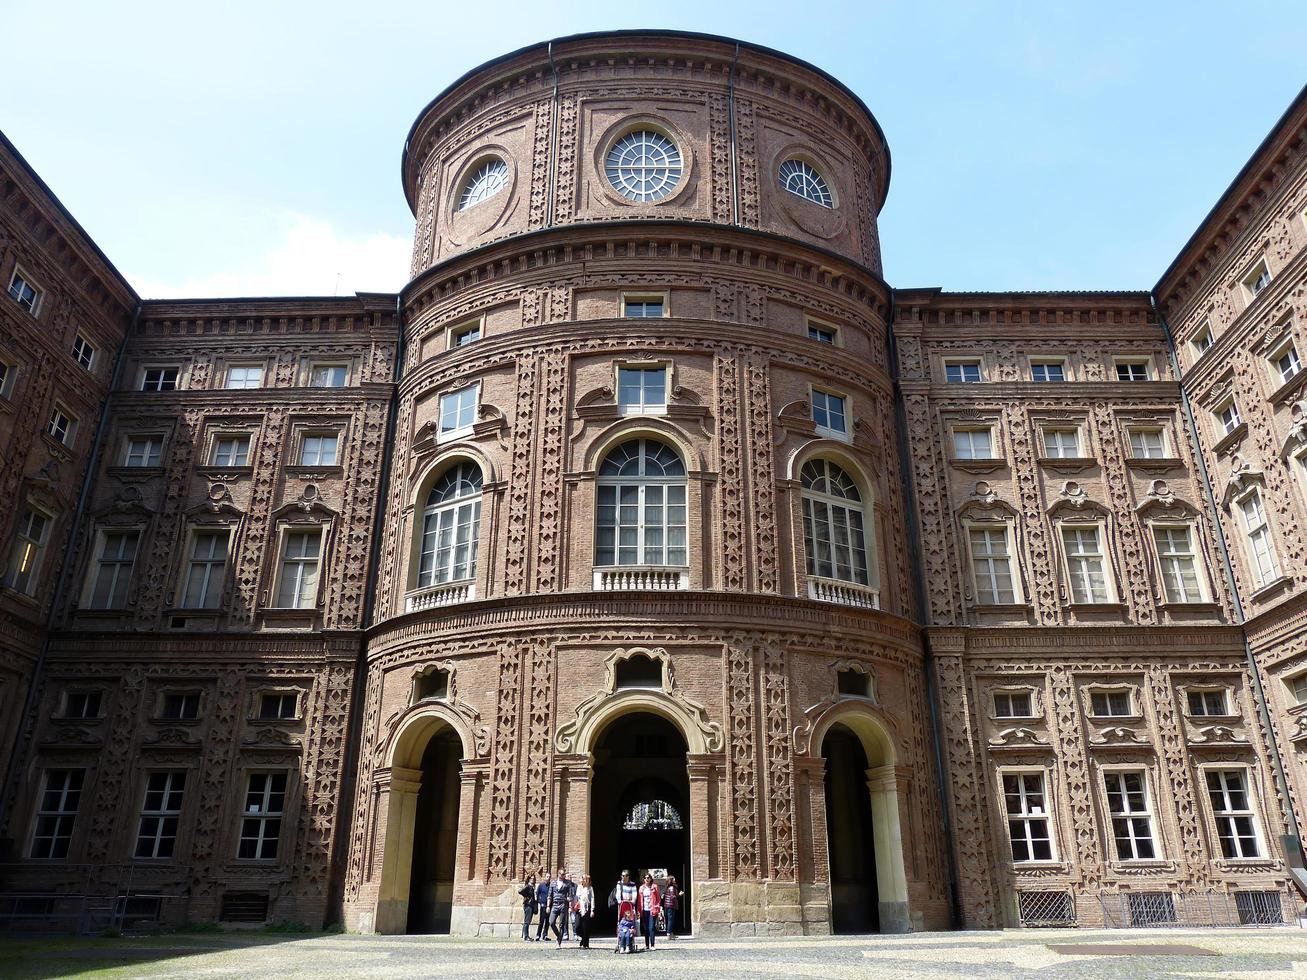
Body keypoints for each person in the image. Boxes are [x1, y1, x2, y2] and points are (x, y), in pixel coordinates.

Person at [547, 866, 574, 948]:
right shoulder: (553, 883)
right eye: (561, 874)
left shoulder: (568, 883)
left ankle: (559, 942)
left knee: (562, 925)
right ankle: (559, 935)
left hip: (563, 905)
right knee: (551, 922)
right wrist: (548, 906)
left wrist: (570, 904)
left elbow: (570, 895)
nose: (563, 876)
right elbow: (549, 895)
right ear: (558, 874)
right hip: (555, 905)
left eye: (564, 874)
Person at [637, 873, 661, 950]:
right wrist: (638, 910)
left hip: (652, 909)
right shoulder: (641, 888)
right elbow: (639, 900)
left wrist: (657, 907)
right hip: (644, 910)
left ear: (650, 879)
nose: (646, 879)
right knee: (646, 928)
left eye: (648, 878)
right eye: (645, 878)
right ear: (643, 879)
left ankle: (653, 945)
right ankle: (647, 945)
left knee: (651, 927)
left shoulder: (655, 887)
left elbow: (658, 898)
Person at [575, 873, 595, 949]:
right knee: (577, 926)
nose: (583, 880)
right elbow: (577, 897)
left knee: (585, 927)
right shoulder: (579, 887)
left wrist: (592, 910)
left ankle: (585, 943)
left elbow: (592, 899)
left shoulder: (590, 888)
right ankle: (583, 938)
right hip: (579, 908)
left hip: (587, 908)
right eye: (582, 878)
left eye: (585, 878)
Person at [518, 873, 537, 941]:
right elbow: (520, 891)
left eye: (533, 879)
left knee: (527, 921)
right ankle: (526, 936)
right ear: (529, 879)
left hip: (531, 905)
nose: (533, 880)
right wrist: (526, 896)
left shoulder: (532, 886)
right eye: (531, 878)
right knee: (527, 921)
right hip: (528, 905)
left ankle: (525, 935)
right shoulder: (528, 886)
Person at [534, 869, 551, 941]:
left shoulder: (551, 885)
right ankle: (538, 935)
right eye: (547, 876)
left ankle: (545, 935)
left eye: (549, 877)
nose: (548, 878)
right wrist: (540, 902)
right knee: (541, 921)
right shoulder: (541, 885)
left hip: (549, 906)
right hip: (543, 905)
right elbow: (537, 894)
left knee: (547, 921)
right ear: (544, 877)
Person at [662, 875, 679, 940]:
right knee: (670, 920)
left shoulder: (668, 887)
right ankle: (669, 934)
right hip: (671, 905)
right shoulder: (672, 888)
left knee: (669, 920)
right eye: (673, 879)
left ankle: (671, 933)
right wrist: (678, 895)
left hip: (667, 905)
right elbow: (673, 897)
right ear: (671, 880)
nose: (675, 880)